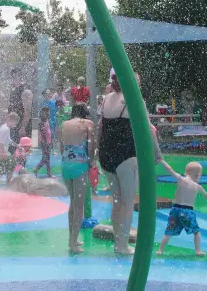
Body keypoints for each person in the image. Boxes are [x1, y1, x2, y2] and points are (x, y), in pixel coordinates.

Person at [98, 72, 162, 254]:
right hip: (126, 154)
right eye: (138, 81)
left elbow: (100, 127)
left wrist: (98, 153)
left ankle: (118, 241)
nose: (139, 85)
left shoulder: (106, 98)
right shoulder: (134, 98)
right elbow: (149, 128)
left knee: (117, 201)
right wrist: (157, 153)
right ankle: (123, 245)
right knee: (127, 202)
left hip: (106, 154)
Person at [156, 158, 207, 257]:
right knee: (196, 232)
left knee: (168, 231)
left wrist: (161, 161)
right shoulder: (197, 186)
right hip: (188, 211)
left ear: (186, 172)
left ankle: (160, 250)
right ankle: (198, 251)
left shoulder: (181, 180)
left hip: (175, 209)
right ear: (198, 175)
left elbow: (170, 169)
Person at [60, 103, 95, 254]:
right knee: (79, 205)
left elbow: (61, 147)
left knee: (73, 203)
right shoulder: (87, 123)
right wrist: (92, 161)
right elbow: (92, 145)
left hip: (66, 164)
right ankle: (73, 243)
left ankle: (72, 238)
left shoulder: (64, 124)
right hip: (80, 164)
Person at [8, 68, 33, 155]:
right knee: (12, 151)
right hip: (14, 126)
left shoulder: (25, 91)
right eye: (13, 77)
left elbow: (28, 111)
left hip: (22, 125)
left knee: (22, 152)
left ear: (20, 77)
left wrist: (23, 127)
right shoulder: (13, 90)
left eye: (16, 77)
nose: (14, 79)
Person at [0, 112, 20, 188]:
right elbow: (1, 142)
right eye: (15, 123)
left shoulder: (4, 127)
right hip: (0, 150)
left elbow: (8, 139)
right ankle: (7, 184)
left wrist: (17, 146)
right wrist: (3, 152)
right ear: (11, 120)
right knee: (10, 165)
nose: (15, 125)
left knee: (1, 167)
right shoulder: (6, 129)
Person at [34, 106, 53, 178]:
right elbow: (42, 133)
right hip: (45, 143)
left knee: (46, 158)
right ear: (41, 114)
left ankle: (49, 173)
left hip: (48, 142)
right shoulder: (41, 123)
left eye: (48, 112)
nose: (47, 114)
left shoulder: (46, 121)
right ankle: (37, 169)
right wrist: (46, 142)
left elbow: (48, 132)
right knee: (46, 159)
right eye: (45, 113)